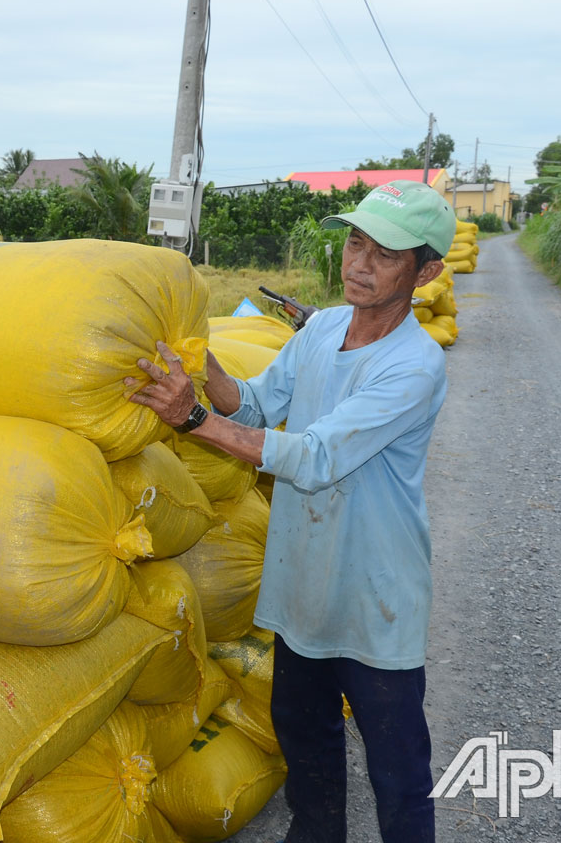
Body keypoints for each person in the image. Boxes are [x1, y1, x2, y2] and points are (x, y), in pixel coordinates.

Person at [127, 180, 455, 843]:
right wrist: (200, 359)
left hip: (373, 595)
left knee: (398, 774)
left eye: (385, 254)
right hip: (303, 583)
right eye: (355, 243)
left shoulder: (414, 366)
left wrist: (189, 419)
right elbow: (252, 405)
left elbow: (312, 456)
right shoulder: (327, 326)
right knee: (306, 748)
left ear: (427, 272)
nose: (359, 263)